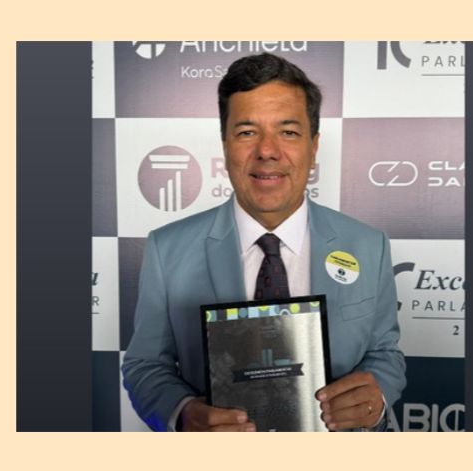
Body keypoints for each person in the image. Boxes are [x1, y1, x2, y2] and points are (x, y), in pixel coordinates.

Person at [122, 53, 406, 432]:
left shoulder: (369, 246)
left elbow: (385, 353)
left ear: (313, 146)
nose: (267, 151)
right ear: (225, 144)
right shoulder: (167, 249)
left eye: (288, 132)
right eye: (247, 132)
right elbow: (145, 365)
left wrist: (377, 396)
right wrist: (183, 413)